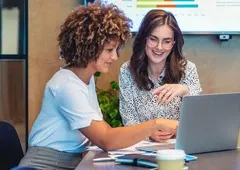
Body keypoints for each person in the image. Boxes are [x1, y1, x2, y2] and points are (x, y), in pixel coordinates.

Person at [18, 1, 178, 169]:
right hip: (43, 165)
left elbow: (103, 130)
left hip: (71, 162)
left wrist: (147, 132)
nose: (115, 57)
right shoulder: (66, 86)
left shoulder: (85, 79)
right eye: (109, 50)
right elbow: (106, 139)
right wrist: (156, 123)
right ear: (89, 47)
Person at [119, 9, 202, 143]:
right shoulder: (127, 71)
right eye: (153, 39)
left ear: (173, 43)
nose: (159, 47)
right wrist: (149, 133)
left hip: (180, 146)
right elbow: (129, 120)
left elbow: (198, 119)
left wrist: (186, 91)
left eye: (166, 41)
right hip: (142, 147)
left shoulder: (188, 69)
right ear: (144, 39)